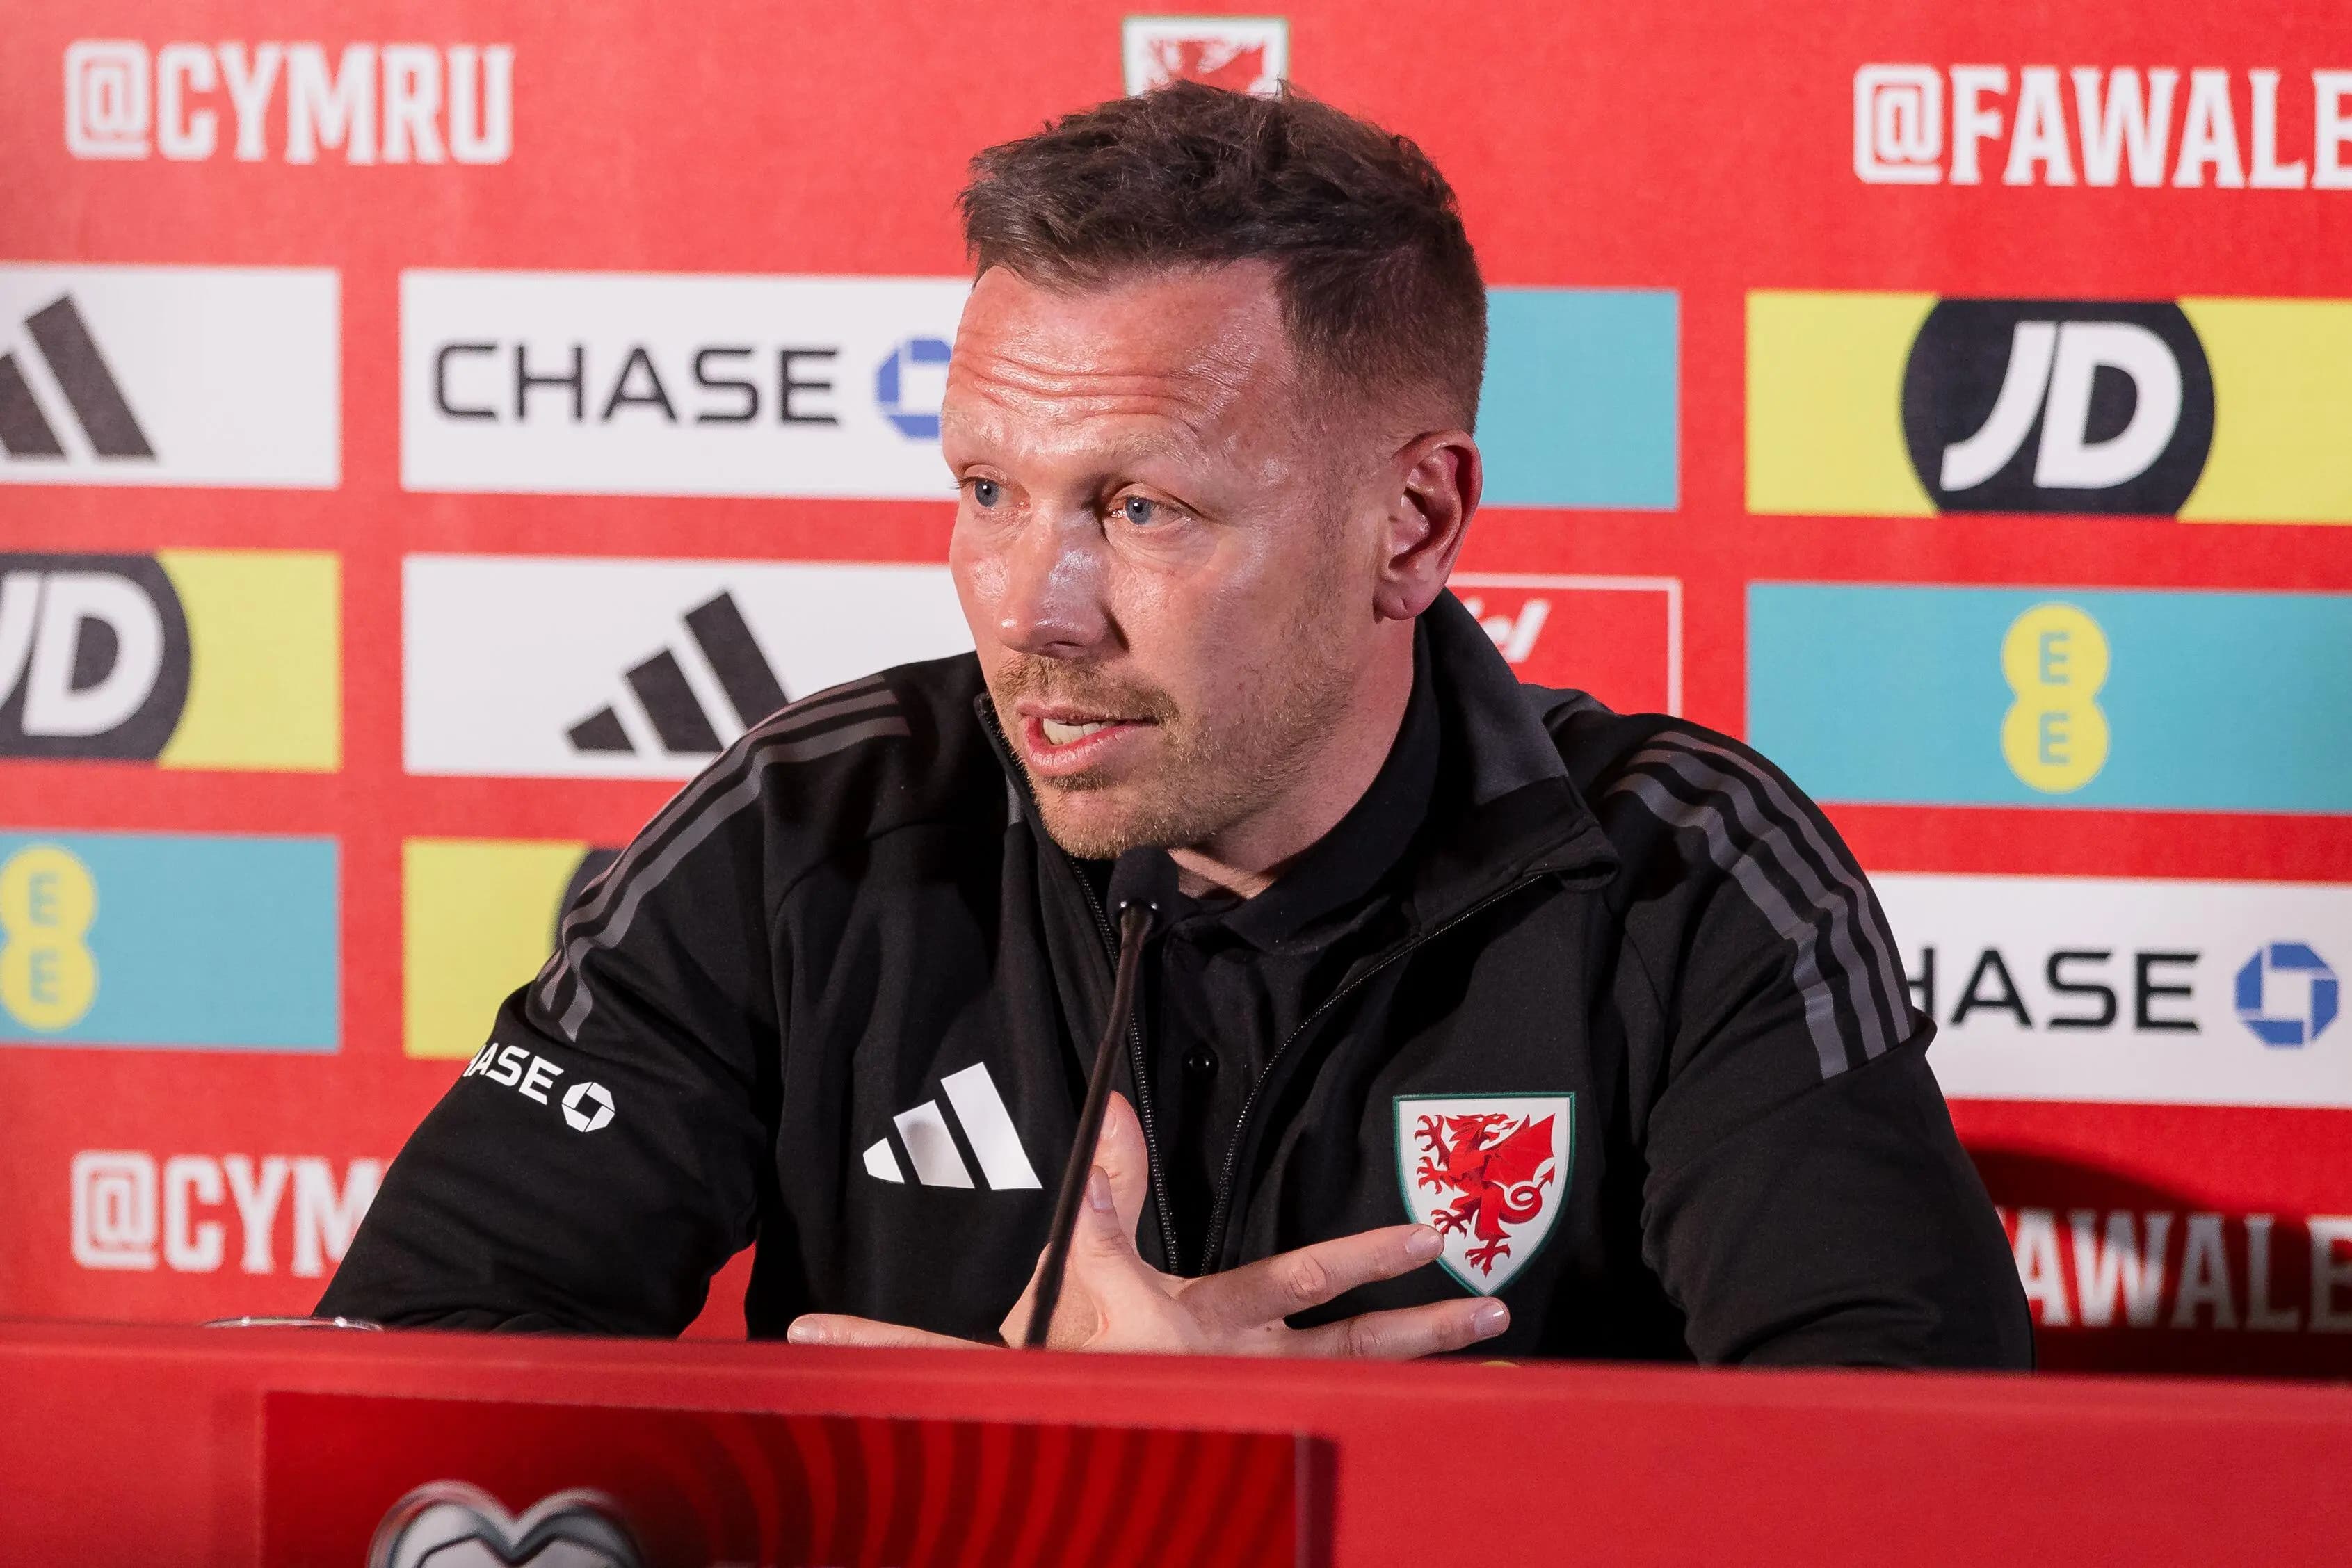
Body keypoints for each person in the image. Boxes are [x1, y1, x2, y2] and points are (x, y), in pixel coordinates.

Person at [322, 83, 2031, 1367]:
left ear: (1413, 525)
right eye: (987, 490)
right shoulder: (810, 828)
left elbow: (1912, 1495)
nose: (1026, 606)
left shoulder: (1684, 875)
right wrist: (936, 1480)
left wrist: (1255, 1488)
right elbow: (398, 1411)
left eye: (1140, 509)